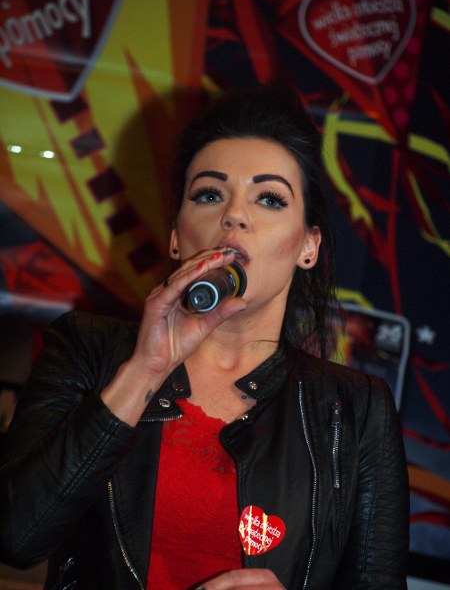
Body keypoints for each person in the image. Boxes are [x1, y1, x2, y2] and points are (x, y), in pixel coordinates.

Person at [0, 84, 409, 589]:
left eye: (269, 198)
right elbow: (16, 536)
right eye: (209, 194)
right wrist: (144, 371)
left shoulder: (356, 410)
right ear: (176, 236)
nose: (234, 215)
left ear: (308, 245)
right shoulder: (88, 348)